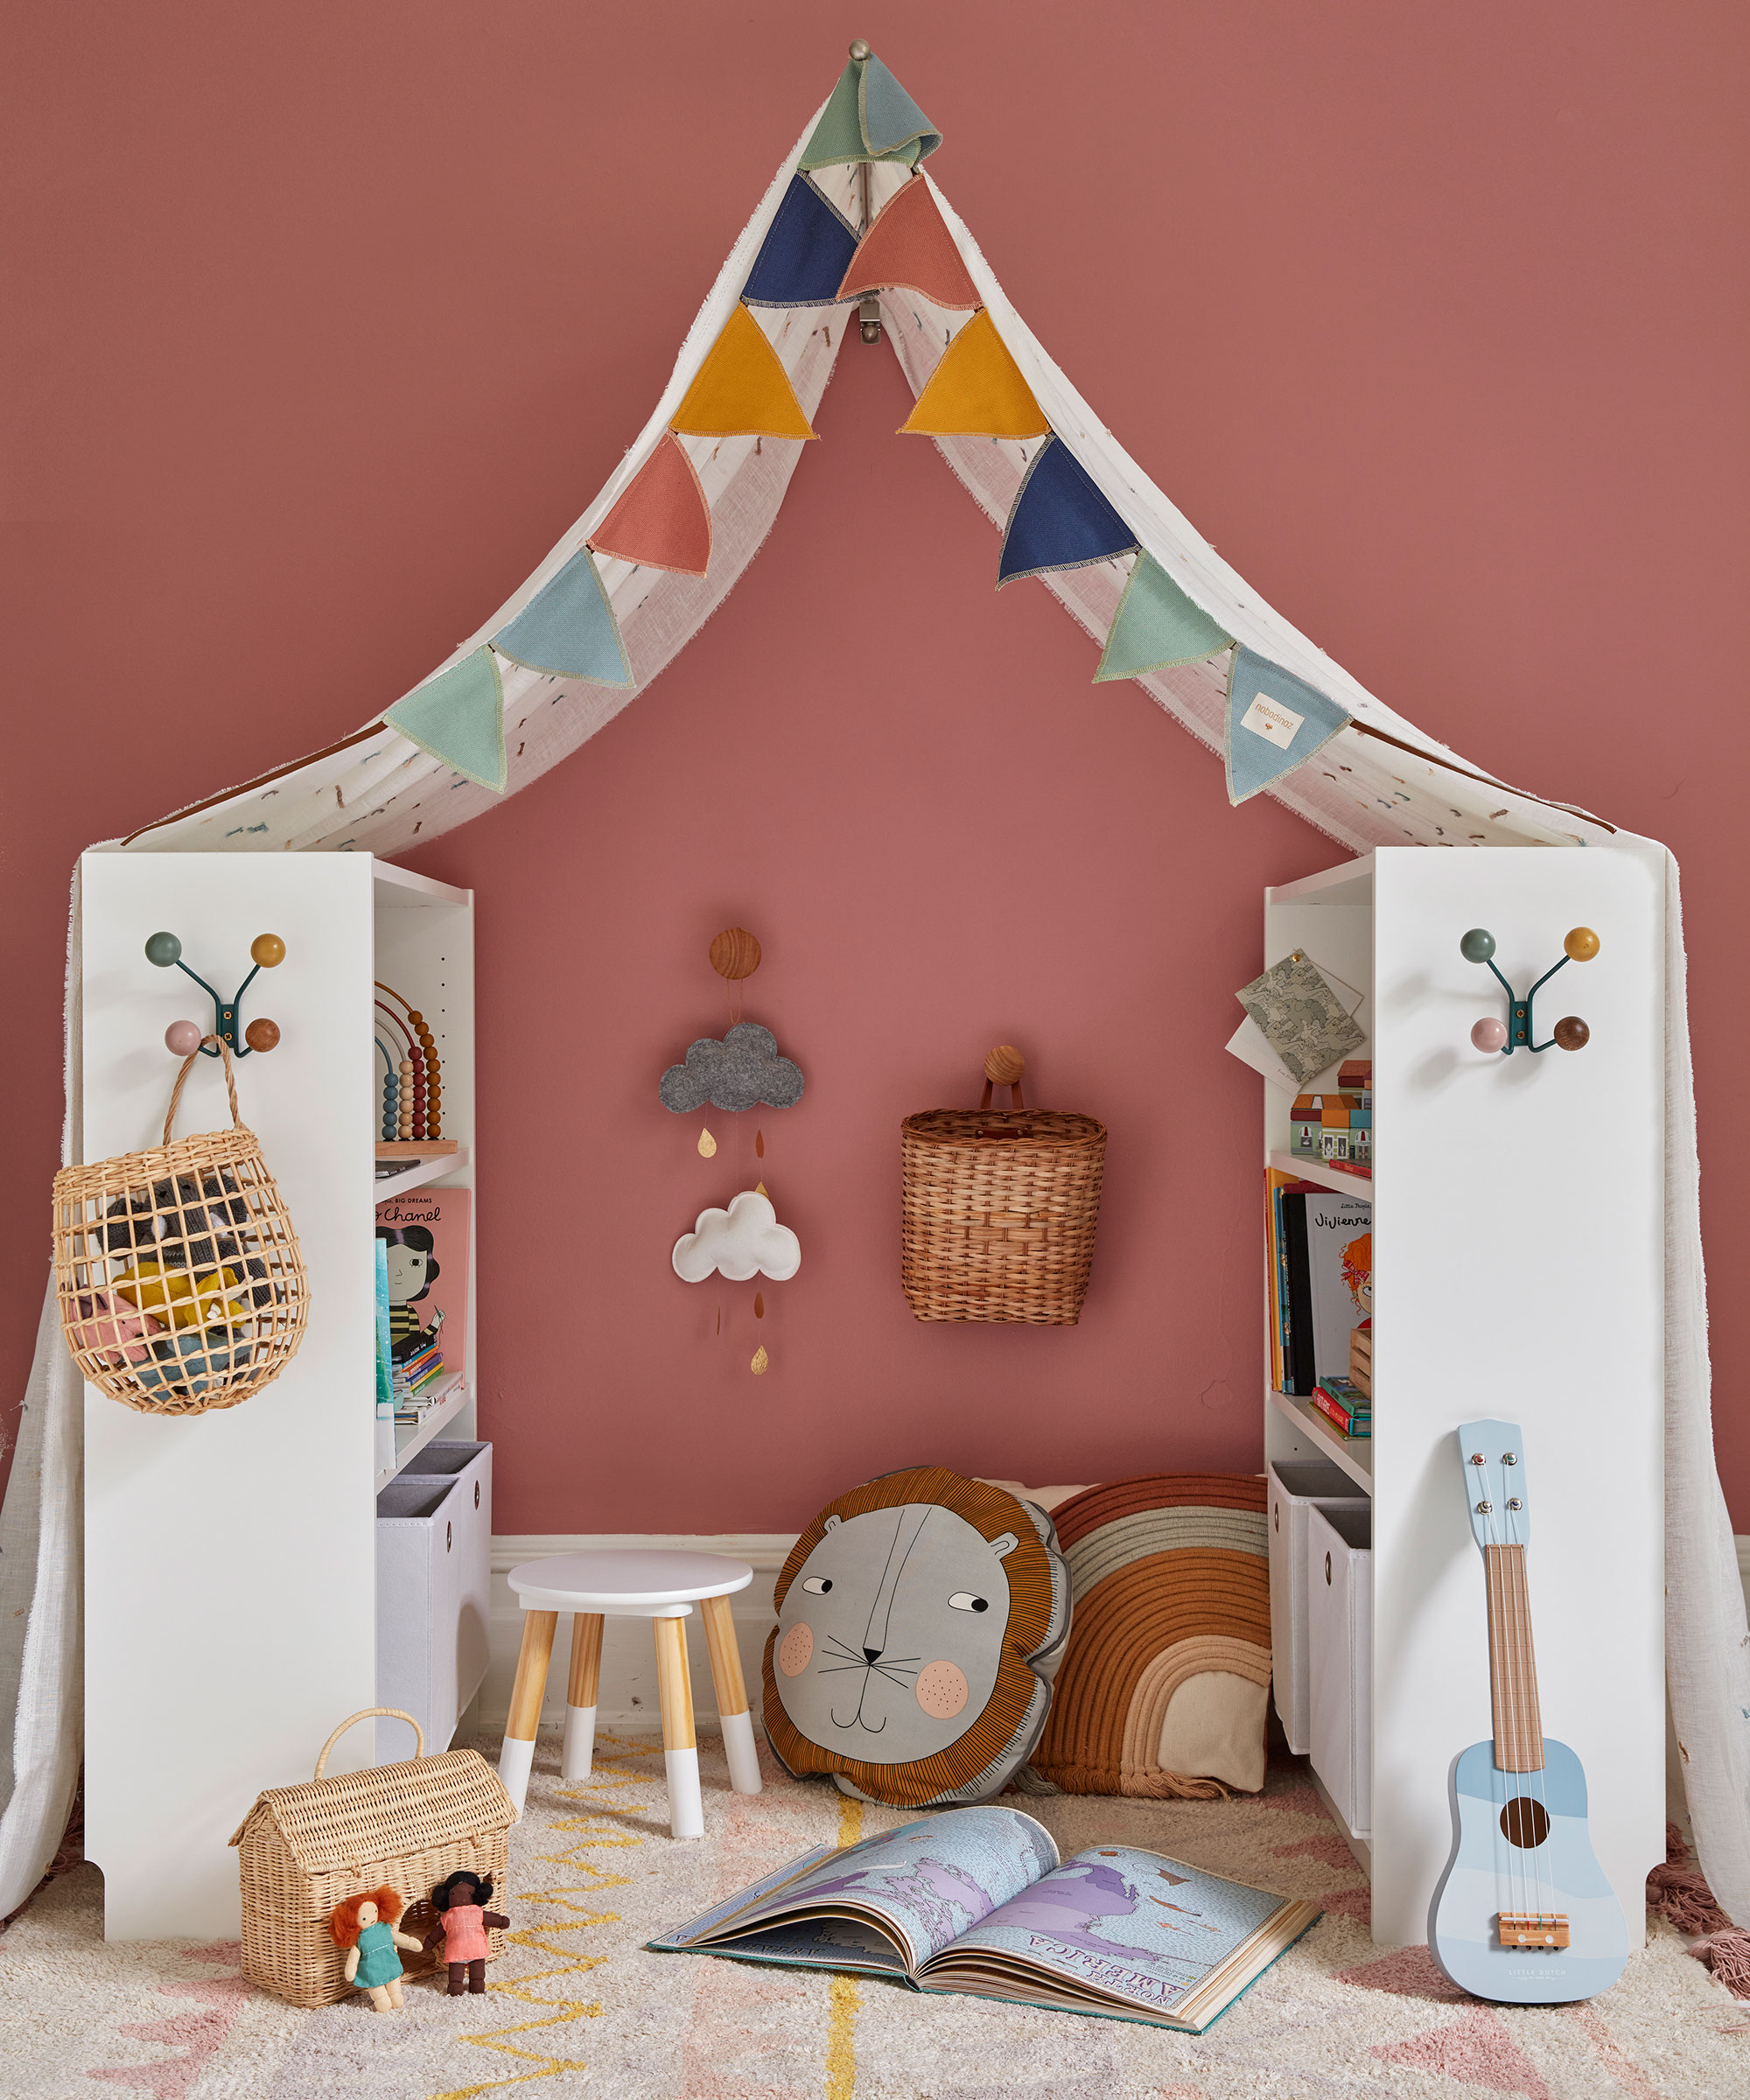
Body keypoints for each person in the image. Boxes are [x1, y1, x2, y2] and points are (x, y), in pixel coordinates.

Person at [329, 1886, 424, 2012]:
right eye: (363, 1918)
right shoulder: (359, 1939)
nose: (372, 1917)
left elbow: (399, 1938)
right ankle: (382, 2002)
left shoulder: (384, 1928)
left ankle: (395, 1998)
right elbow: (353, 1958)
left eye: (375, 1912)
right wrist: (350, 1971)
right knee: (380, 1996)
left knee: (396, 1992)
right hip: (372, 1972)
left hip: (390, 1964)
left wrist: (410, 1943)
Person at [424, 1869, 509, 1995]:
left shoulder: (448, 1916)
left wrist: (429, 1942)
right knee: (477, 1974)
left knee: (456, 1976)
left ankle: (456, 1986)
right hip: (476, 1949)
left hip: (456, 1951)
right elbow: (492, 1919)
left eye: (469, 1892)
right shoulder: (477, 1912)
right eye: (454, 1894)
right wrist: (501, 1921)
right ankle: (475, 1985)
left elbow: (437, 1933)